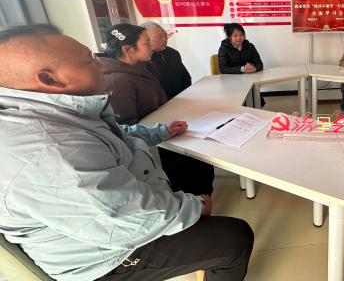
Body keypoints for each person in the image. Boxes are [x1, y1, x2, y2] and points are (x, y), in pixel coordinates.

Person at [0, 24, 253, 281]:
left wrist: (160, 131)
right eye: (89, 60)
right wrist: (196, 207)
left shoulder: (51, 114)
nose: (100, 65)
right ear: (49, 79)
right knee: (234, 239)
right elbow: (130, 219)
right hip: (105, 255)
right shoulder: (50, 150)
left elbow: (114, 133)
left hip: (115, 218)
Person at [98, 24, 215, 198]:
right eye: (146, 43)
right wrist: (161, 130)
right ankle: (194, 202)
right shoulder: (117, 81)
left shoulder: (143, 66)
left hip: (164, 128)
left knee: (202, 155)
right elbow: (125, 133)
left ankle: (201, 197)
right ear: (129, 49)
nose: (151, 47)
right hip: (153, 144)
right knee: (192, 166)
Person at [142, 22, 192, 100]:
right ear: (146, 39)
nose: (165, 39)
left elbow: (186, 78)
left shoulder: (172, 53)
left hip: (181, 99)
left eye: (165, 35)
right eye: (160, 37)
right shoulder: (142, 60)